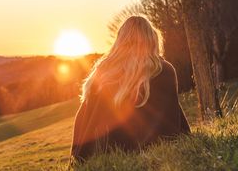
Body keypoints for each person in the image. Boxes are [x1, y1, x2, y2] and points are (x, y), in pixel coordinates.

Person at [70, 16, 191, 163]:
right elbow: (171, 120)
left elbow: (83, 119)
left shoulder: (102, 72)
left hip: (100, 155)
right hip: (148, 152)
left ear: (120, 41)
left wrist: (79, 154)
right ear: (151, 39)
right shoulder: (163, 70)